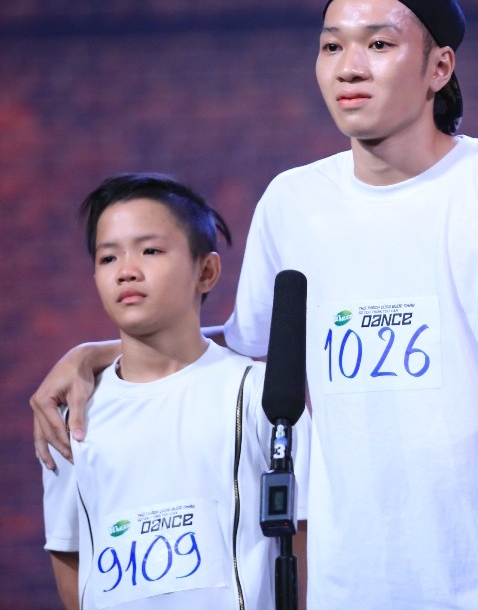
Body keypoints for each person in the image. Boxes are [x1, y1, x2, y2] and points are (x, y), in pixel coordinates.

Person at [32, 0, 478, 608]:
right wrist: (103, 354)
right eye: (331, 46)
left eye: (378, 44)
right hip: (347, 585)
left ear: (439, 68)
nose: (349, 66)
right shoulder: (293, 203)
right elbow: (252, 353)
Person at [41, 173, 309, 609]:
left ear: (206, 271)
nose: (127, 271)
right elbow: (69, 553)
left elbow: (304, 535)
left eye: (150, 251)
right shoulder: (73, 412)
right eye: (108, 258)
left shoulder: (262, 393)